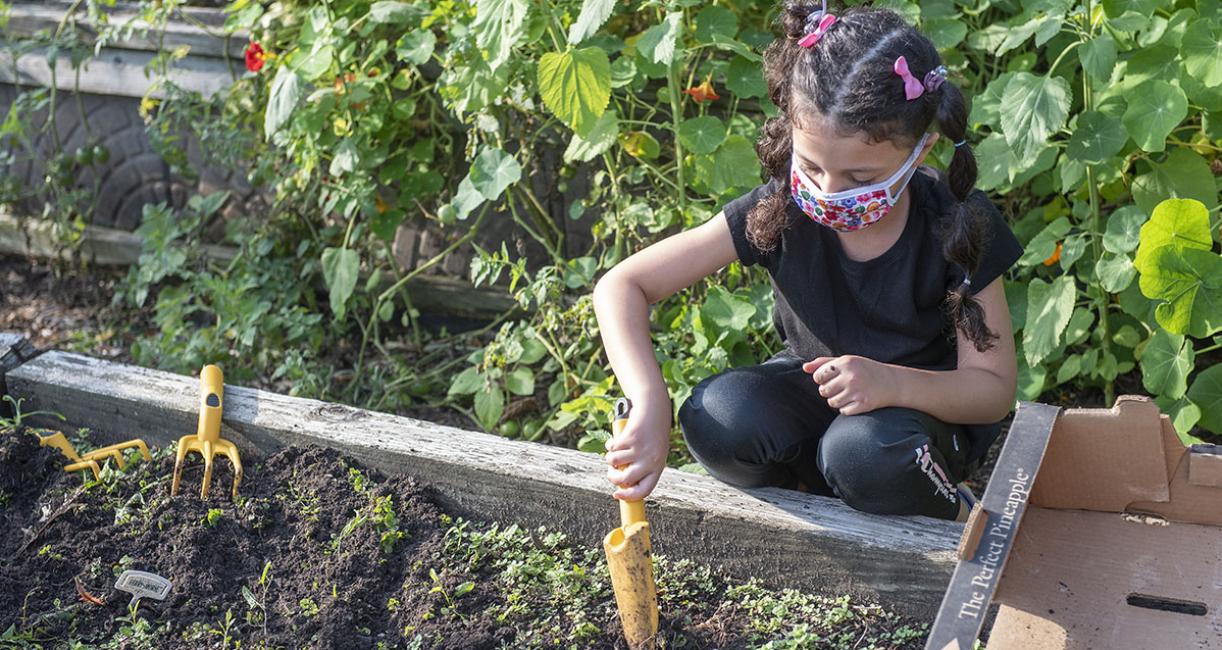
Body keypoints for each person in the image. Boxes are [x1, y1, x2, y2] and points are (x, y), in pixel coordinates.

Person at [590, 0, 1023, 522]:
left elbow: (993, 392)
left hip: (917, 422)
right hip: (822, 398)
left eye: (861, 179)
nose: (829, 192)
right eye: (812, 166)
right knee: (717, 417)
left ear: (921, 149)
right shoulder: (780, 208)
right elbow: (622, 286)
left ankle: (951, 509)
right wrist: (648, 400)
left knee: (862, 454)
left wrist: (891, 383)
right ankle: (816, 498)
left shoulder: (958, 224)